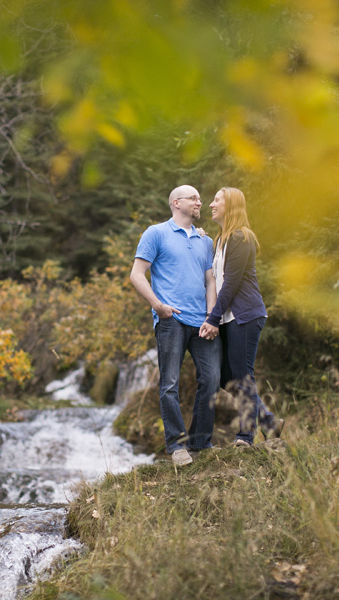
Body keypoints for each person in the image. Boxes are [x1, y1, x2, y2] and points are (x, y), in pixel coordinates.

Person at [130, 184, 221, 466]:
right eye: (193, 198)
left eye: (199, 198)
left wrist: (211, 316)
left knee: (212, 380)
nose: (199, 202)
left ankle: (200, 442)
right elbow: (137, 274)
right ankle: (177, 446)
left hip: (202, 323)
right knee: (169, 385)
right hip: (171, 321)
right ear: (176, 203)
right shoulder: (156, 233)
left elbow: (210, 281)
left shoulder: (205, 241)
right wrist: (158, 306)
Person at [199, 187, 279, 446]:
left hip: (244, 315)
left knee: (243, 376)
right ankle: (268, 421)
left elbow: (231, 283)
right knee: (225, 376)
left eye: (217, 200)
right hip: (228, 318)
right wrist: (201, 237)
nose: (211, 204)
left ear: (231, 206)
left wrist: (212, 319)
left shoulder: (241, 237)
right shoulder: (220, 240)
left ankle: (246, 435)